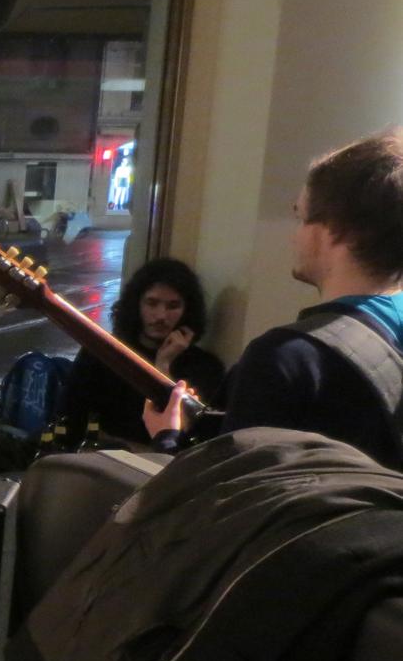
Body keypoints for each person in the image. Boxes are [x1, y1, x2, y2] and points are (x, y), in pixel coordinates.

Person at [147, 128, 403, 466]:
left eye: (300, 216)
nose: (294, 237)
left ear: (331, 231)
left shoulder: (285, 359)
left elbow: (233, 493)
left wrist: (167, 438)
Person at [60, 257, 226, 445]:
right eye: (152, 303)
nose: (161, 315)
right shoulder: (103, 353)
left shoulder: (205, 367)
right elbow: (69, 418)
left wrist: (163, 367)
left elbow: (179, 435)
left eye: (173, 306)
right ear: (137, 304)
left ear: (187, 311)